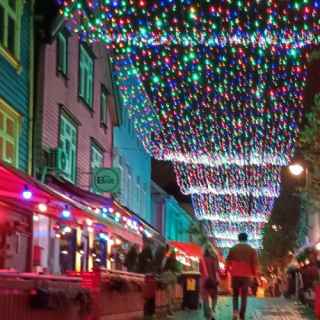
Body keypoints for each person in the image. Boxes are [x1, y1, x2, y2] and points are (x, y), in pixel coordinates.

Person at [226, 233, 258, 320]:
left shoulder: (233, 249)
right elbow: (254, 264)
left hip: (235, 274)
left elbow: (228, 261)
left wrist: (226, 271)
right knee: (244, 296)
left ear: (238, 239)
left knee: (235, 295)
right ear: (246, 239)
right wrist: (255, 275)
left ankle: (235, 312)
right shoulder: (252, 250)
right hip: (246, 276)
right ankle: (242, 314)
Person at [200, 247, 219, 320]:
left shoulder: (201, 260)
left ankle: (208, 316)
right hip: (213, 280)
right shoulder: (214, 260)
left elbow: (200, 271)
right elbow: (216, 270)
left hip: (204, 281)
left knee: (205, 299)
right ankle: (213, 309)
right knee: (214, 296)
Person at [160, 247, 179, 318]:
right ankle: (170, 310)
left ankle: (169, 310)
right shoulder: (174, 260)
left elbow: (162, 267)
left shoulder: (166, 259)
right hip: (172, 277)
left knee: (168, 295)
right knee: (171, 295)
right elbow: (176, 269)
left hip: (167, 277)